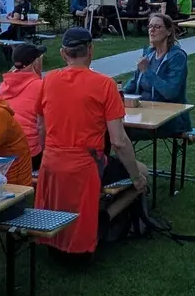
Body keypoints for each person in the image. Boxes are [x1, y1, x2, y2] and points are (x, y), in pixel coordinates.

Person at [34, 27, 149, 254]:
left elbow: (40, 127)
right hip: (86, 164)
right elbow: (118, 141)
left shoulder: (48, 81)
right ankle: (104, 218)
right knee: (143, 172)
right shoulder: (105, 84)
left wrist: (51, 153)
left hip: (52, 162)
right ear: (90, 50)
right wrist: (136, 177)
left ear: (63, 53)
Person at [125, 13, 191, 135]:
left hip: (170, 119)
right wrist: (116, 95)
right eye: (150, 26)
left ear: (168, 32)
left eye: (157, 27)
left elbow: (170, 92)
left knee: (117, 132)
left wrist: (147, 71)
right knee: (108, 126)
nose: (152, 30)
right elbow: (133, 83)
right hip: (144, 113)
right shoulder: (149, 53)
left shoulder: (177, 57)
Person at [0, 42, 46, 162]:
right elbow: (42, 126)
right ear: (35, 62)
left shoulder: (4, 84)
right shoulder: (40, 86)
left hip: (4, 151)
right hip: (30, 153)